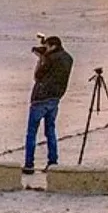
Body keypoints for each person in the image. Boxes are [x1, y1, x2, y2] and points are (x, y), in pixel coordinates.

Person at [24, 36, 74, 174]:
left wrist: (41, 59)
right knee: (50, 131)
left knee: (31, 133)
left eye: (46, 46)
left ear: (52, 46)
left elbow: (37, 76)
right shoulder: (68, 58)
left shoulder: (49, 58)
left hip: (41, 98)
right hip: (55, 98)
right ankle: (53, 162)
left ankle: (29, 165)